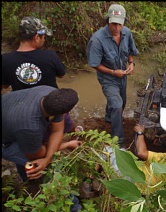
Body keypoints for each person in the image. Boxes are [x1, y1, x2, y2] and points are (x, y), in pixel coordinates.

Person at [1, 16, 82, 140]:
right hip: (52, 105)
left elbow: (4, 85)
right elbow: (61, 74)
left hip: (25, 111)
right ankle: (73, 133)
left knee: (35, 134)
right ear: (36, 37)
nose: (44, 39)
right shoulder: (50, 56)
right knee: (64, 121)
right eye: (43, 36)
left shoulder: (5, 60)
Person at [2, 85, 81, 183]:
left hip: (11, 117)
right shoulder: (30, 127)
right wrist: (47, 160)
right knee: (41, 164)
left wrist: (48, 157)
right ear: (66, 112)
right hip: (6, 140)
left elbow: (57, 131)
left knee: (46, 154)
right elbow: (36, 154)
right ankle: (34, 181)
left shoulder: (49, 93)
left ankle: (26, 175)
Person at [87, 4, 139, 147]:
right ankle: (119, 141)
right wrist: (112, 72)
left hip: (123, 75)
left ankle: (109, 118)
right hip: (108, 77)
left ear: (124, 22)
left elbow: (130, 51)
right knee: (117, 104)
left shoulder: (127, 33)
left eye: (119, 24)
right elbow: (94, 63)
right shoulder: (97, 40)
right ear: (108, 21)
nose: (117, 28)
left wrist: (131, 63)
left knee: (122, 101)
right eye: (113, 24)